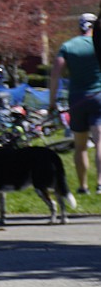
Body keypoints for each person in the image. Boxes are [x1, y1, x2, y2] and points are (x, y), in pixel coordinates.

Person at [48, 13, 101, 194]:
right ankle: (100, 183)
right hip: (99, 96)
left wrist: (52, 103)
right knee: (100, 142)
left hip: (77, 99)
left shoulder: (68, 46)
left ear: (80, 27)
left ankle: (82, 186)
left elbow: (55, 74)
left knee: (80, 146)